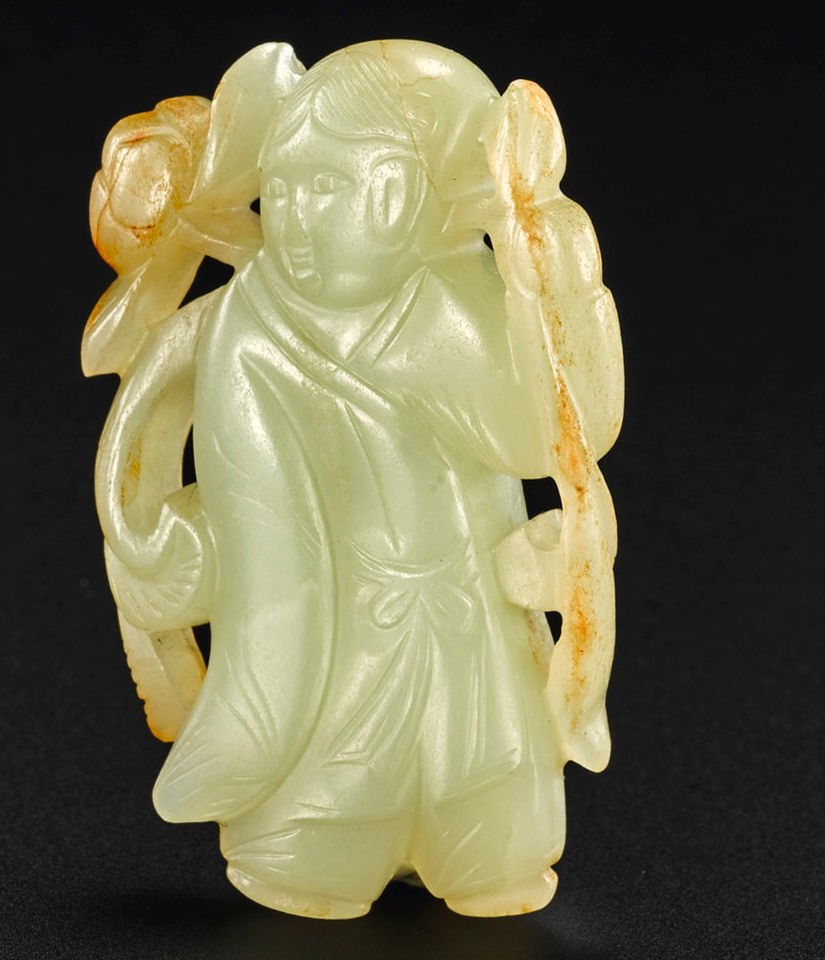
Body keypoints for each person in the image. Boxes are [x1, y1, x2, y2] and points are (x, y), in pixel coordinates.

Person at [89, 41, 622, 919]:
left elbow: (554, 436)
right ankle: (315, 835)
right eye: (284, 191)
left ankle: (484, 843)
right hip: (327, 641)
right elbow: (231, 507)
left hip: (466, 629)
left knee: (495, 825)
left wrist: (549, 270)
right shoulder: (251, 329)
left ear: (399, 196)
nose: (295, 219)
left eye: (327, 188)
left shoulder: (449, 304)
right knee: (310, 839)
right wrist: (179, 545)